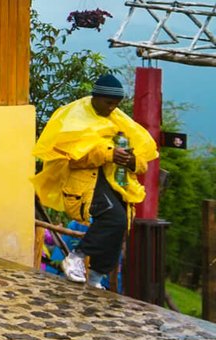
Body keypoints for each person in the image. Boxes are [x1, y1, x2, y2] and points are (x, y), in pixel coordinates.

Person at [33, 72, 156, 288]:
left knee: (119, 227)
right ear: (95, 97)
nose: (112, 108)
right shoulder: (74, 118)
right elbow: (72, 157)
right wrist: (109, 154)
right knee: (113, 219)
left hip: (115, 183)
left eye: (116, 104)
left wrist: (131, 160)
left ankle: (97, 276)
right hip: (85, 184)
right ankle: (76, 257)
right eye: (108, 102)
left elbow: (143, 160)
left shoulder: (119, 121)